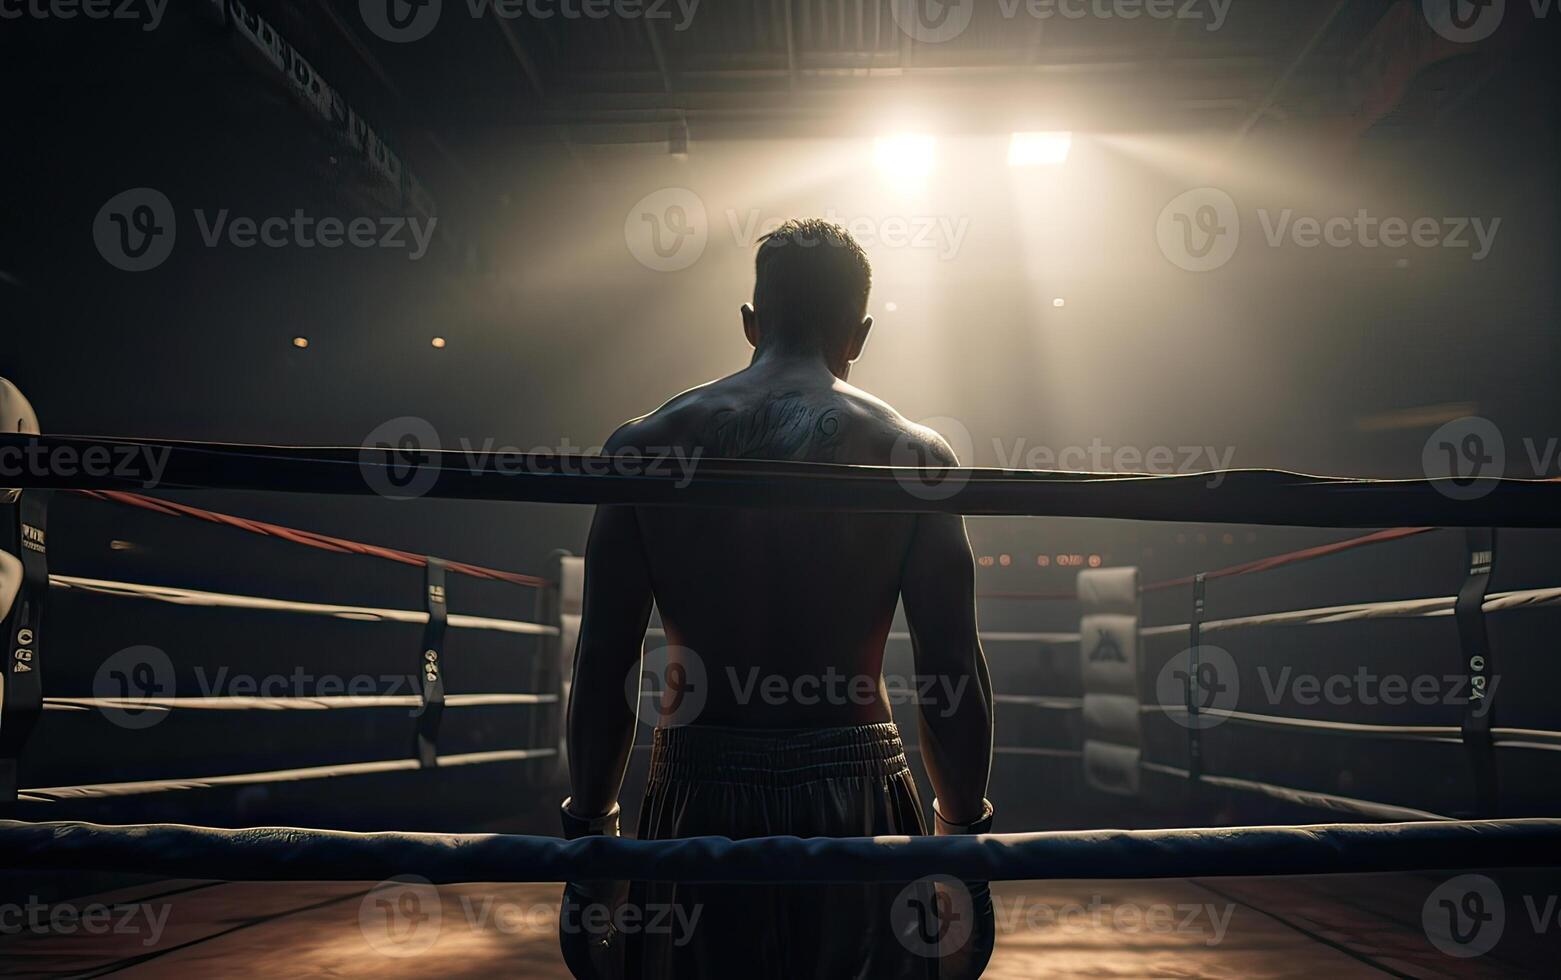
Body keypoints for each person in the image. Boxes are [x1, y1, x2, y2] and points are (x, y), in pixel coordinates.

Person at [560, 219, 994, 979]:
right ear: (857, 334)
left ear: (750, 323)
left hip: (697, 784)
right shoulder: (913, 455)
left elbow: (604, 663)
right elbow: (949, 667)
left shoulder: (644, 446)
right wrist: (963, 842)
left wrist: (590, 843)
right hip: (854, 784)